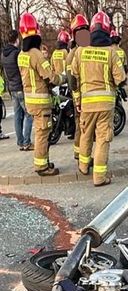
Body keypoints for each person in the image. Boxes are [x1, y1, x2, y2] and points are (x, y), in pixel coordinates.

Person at [73, 11, 125, 186]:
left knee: (86, 134)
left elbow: (73, 77)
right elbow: (121, 78)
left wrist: (77, 98)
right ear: (106, 29)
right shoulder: (111, 52)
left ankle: (83, 166)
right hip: (105, 104)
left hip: (86, 104)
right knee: (102, 139)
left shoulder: (80, 50)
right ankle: (99, 177)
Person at [17, 13, 59, 176]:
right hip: (41, 101)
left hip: (30, 100)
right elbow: (49, 76)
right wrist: (62, 78)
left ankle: (44, 161)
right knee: (42, 133)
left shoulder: (22, 55)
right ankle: (42, 166)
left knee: (40, 131)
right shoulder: (36, 54)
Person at [2, 32, 33, 151]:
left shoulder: (3, 55)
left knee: (17, 116)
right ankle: (26, 142)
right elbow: (23, 71)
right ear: (16, 40)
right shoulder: (17, 54)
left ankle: (20, 142)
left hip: (12, 88)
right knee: (29, 114)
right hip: (20, 88)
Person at [67, 13, 91, 161]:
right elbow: (72, 82)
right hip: (80, 98)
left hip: (85, 97)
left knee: (83, 128)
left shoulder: (81, 51)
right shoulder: (73, 55)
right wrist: (77, 101)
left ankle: (81, 154)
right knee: (81, 128)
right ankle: (81, 155)